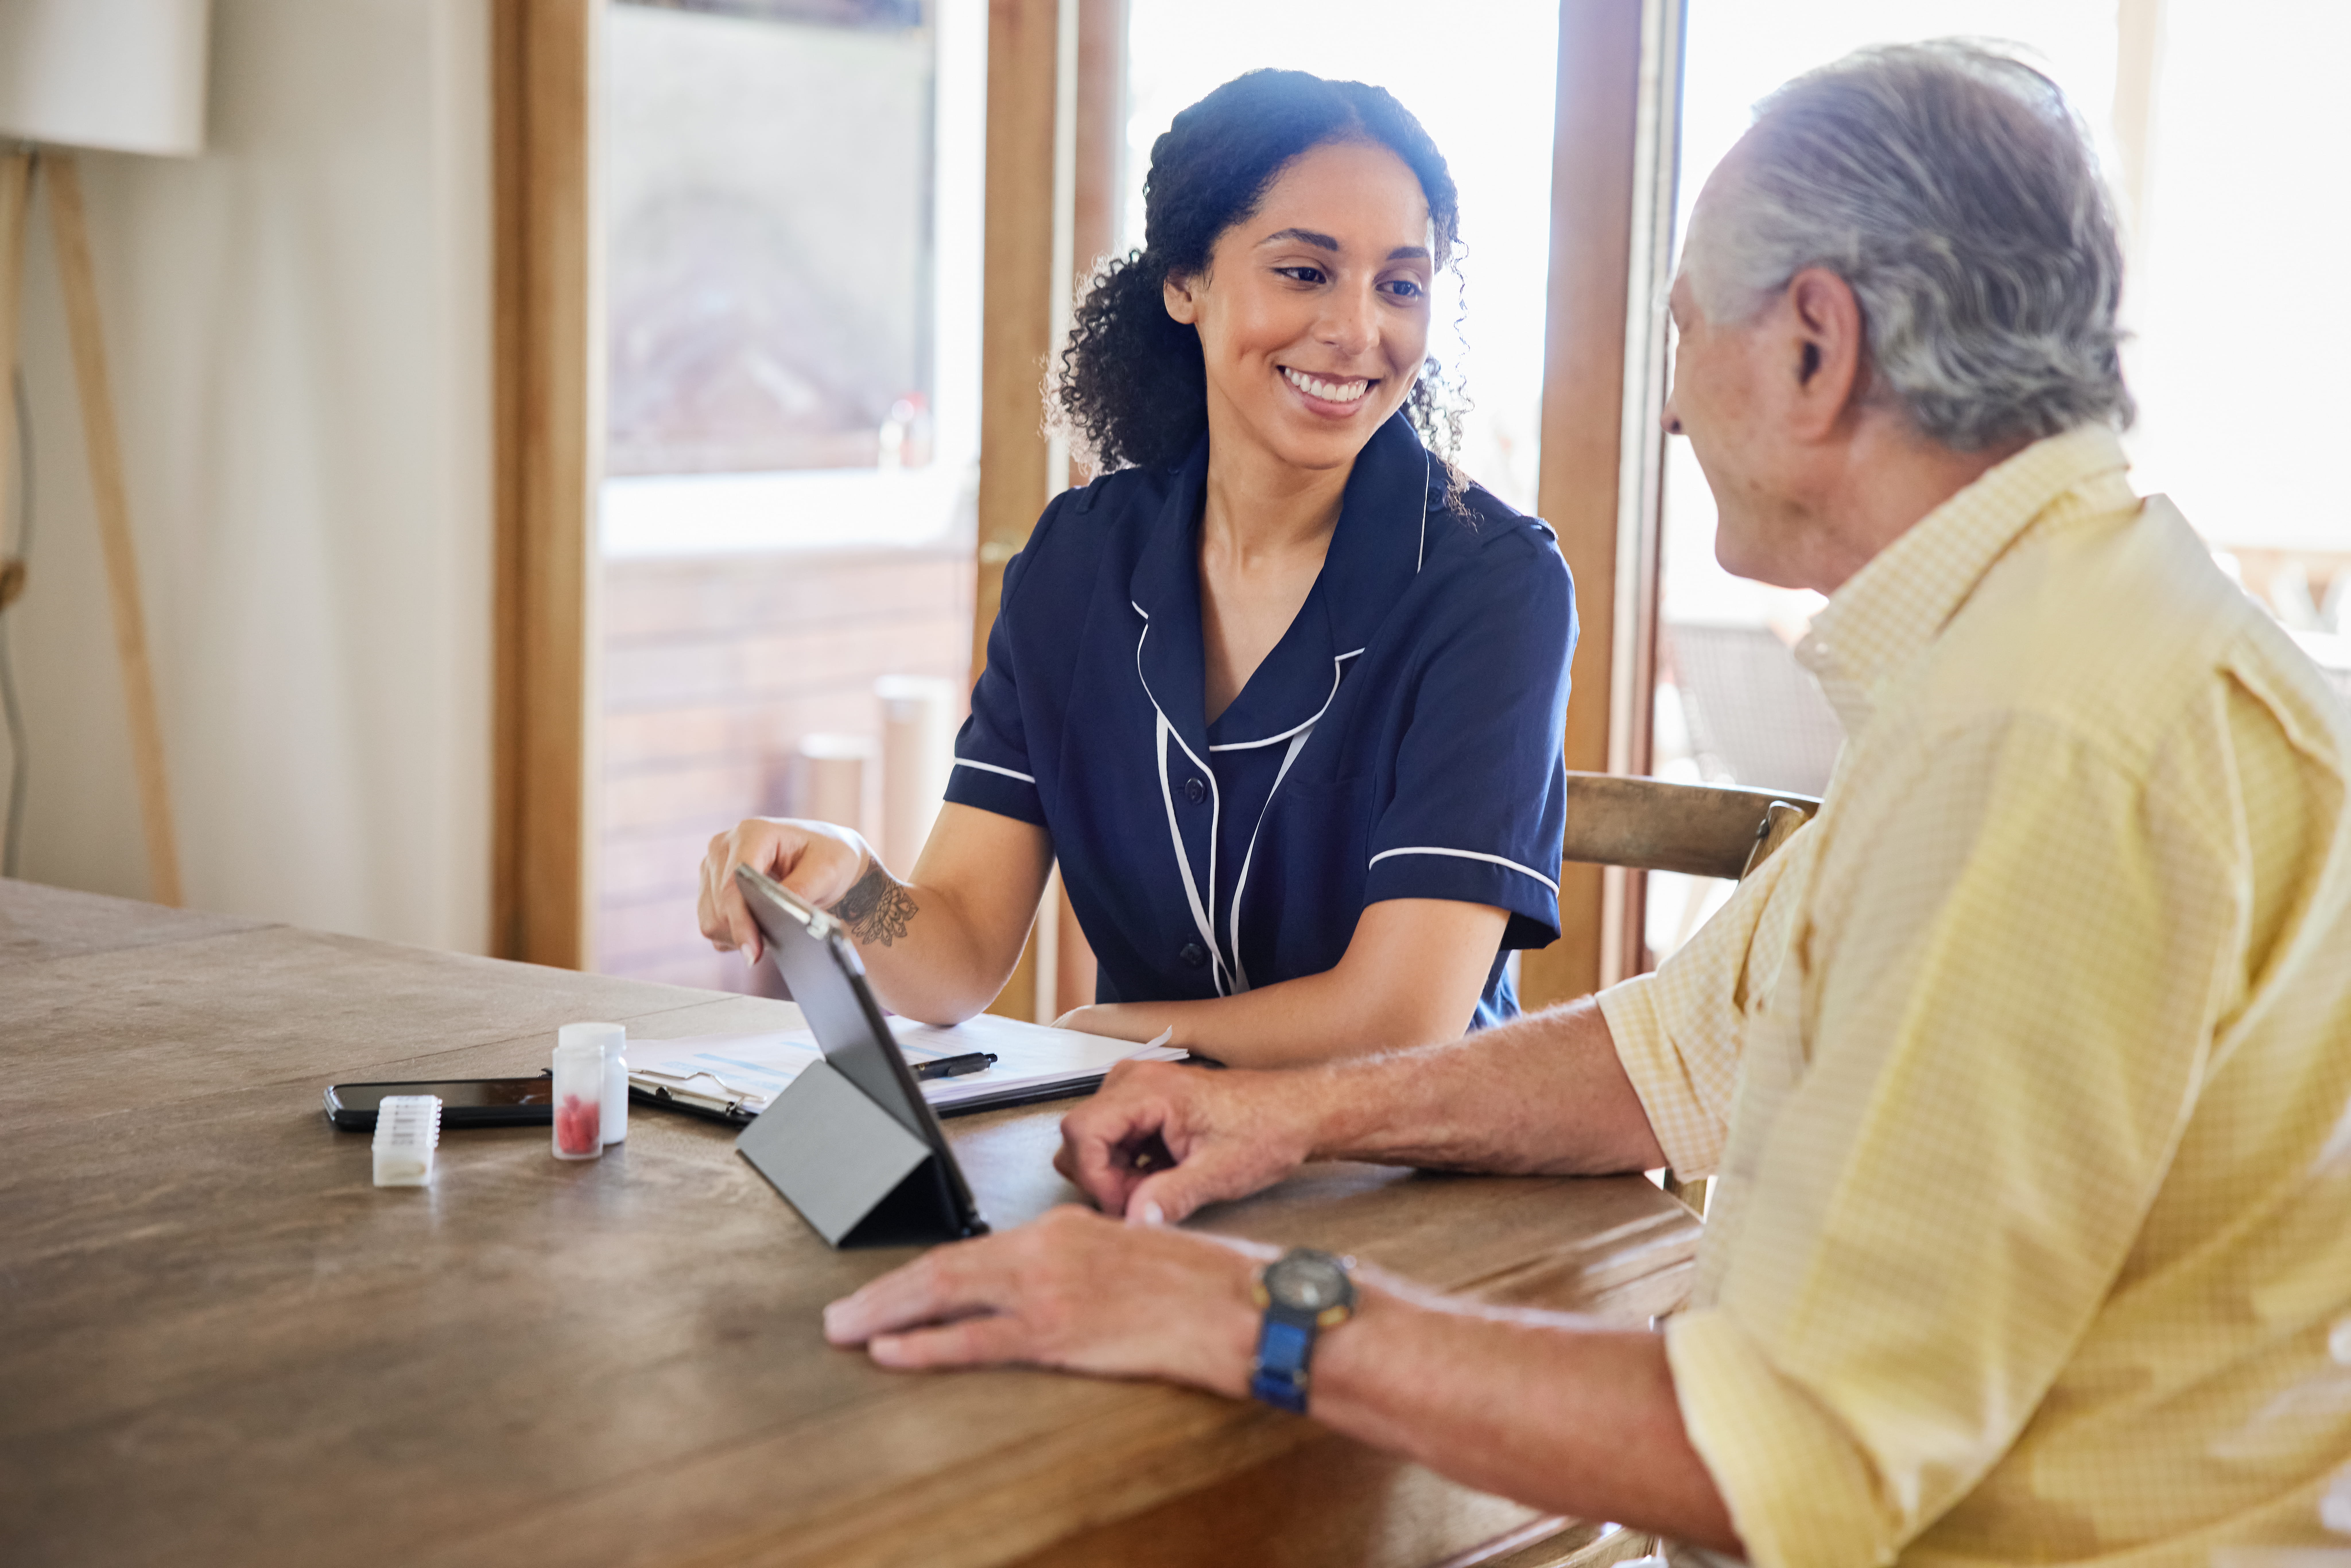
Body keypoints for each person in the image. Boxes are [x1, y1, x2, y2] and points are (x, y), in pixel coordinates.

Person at [820, 42, 2351, 1566]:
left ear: (1816, 347)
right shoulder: (2041, 650)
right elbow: (1679, 1052)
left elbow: (1791, 1453)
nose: (1671, 409)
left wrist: (1243, 1309)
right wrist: (1281, 1111)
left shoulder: (2047, 742)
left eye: (1682, 326)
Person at [697, 70, 1577, 1068]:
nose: (1357, 330)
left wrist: (1106, 1043)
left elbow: (1399, 1021)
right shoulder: (1077, 565)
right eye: (1305, 272)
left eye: (1402, 285)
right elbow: (958, 952)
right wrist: (851, 888)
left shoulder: (1495, 588)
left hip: (1410, 1183)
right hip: (1142, 1165)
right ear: (1185, 284)